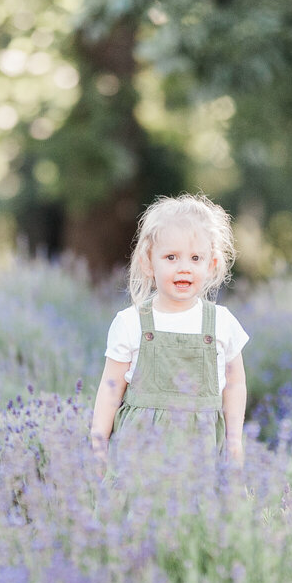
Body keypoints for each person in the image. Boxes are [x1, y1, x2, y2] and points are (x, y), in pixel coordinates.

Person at [89, 194, 249, 464]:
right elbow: (110, 386)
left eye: (195, 258)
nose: (184, 268)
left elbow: (235, 384)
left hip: (201, 458)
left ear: (211, 266)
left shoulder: (222, 323)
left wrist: (234, 442)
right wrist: (98, 442)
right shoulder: (131, 323)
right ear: (148, 263)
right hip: (140, 459)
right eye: (171, 257)